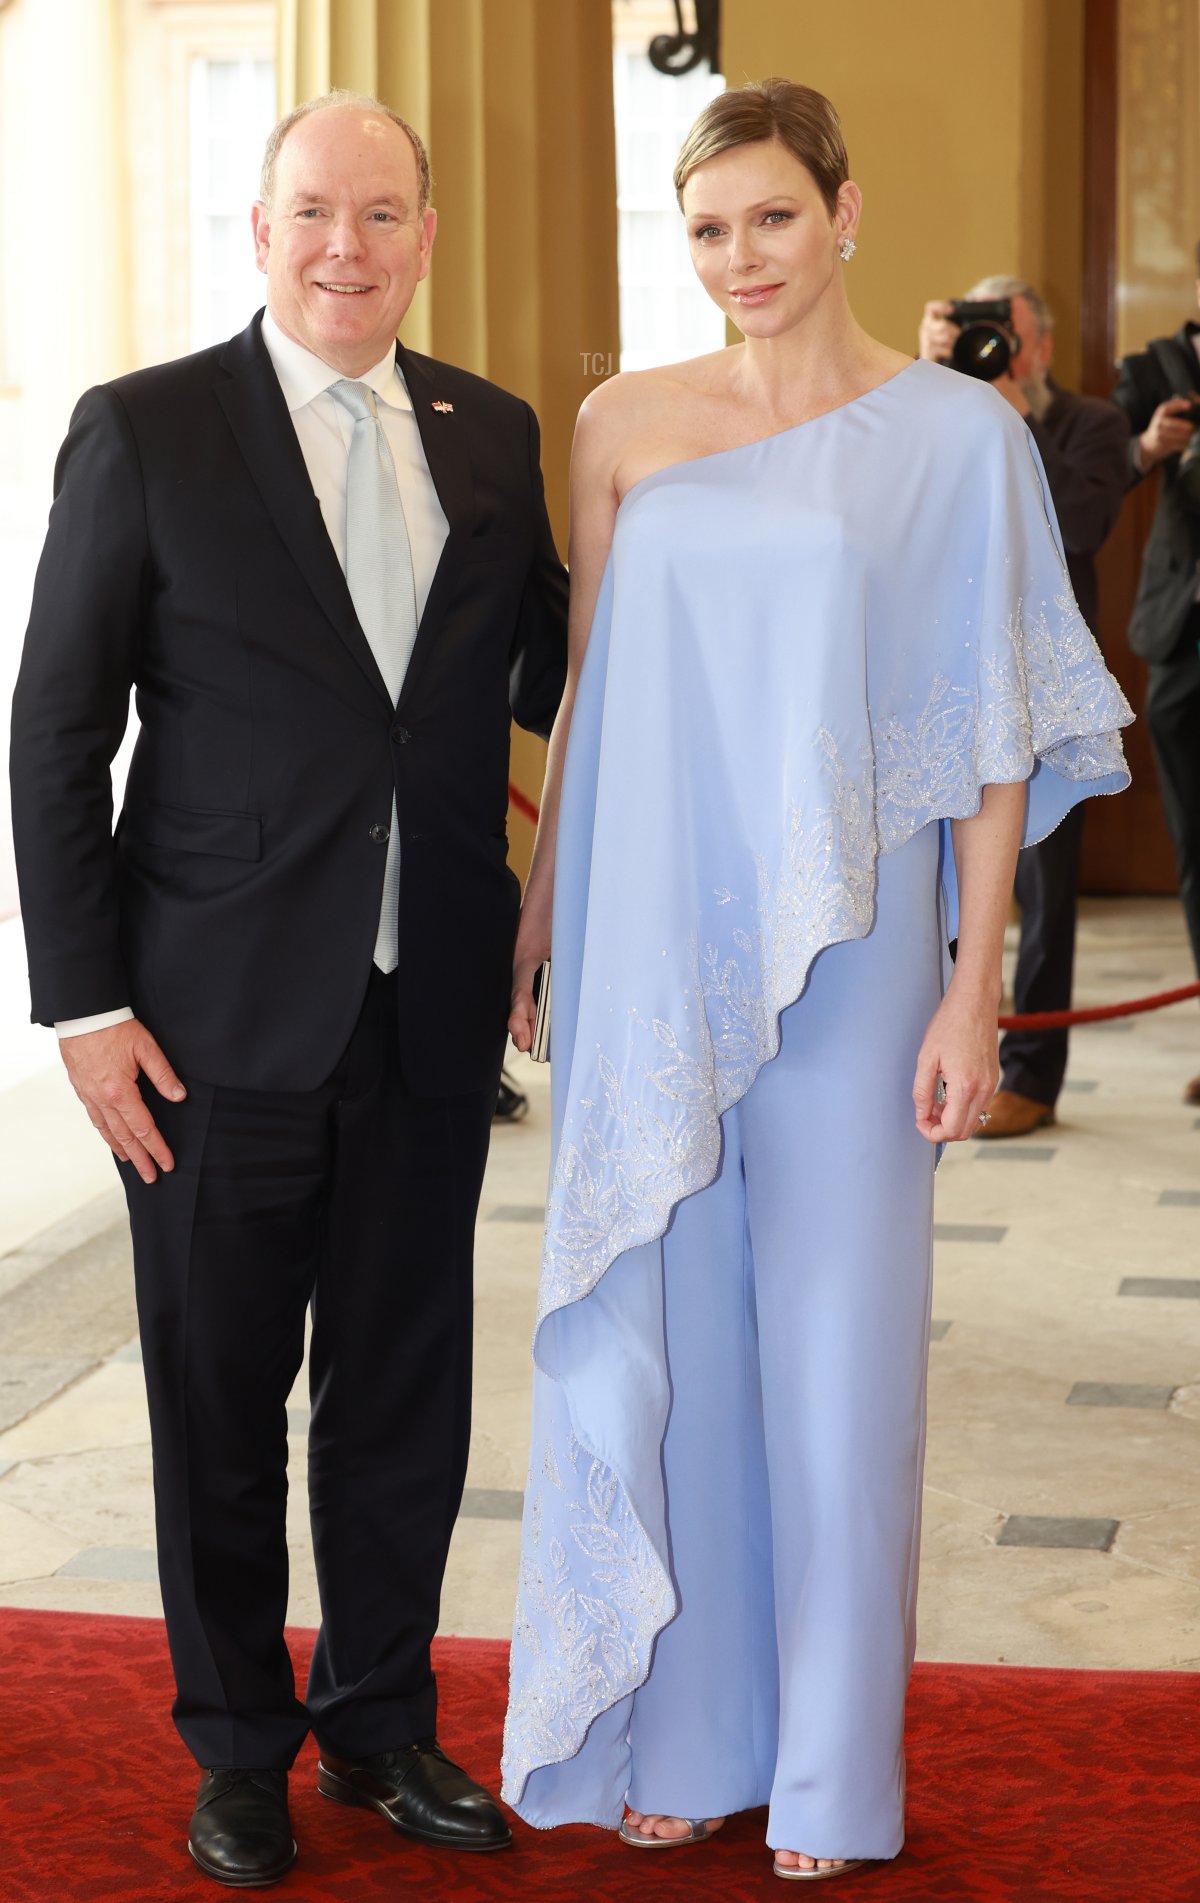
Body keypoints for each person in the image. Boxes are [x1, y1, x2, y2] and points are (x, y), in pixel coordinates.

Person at [499, 79, 1130, 1883]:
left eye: (772, 217)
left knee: (842, 1371)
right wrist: (546, 914)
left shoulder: (955, 438)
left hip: (864, 954)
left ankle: (838, 1776)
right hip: (649, 952)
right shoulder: (623, 425)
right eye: (707, 228)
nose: (741, 258)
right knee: (682, 1342)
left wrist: (970, 986)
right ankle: (693, 1736)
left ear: (845, 215)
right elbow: (598, 690)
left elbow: (1002, 729)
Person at [9, 91, 567, 1887]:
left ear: (424, 233)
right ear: (258, 230)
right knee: (221, 1401)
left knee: (405, 1391)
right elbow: (55, 731)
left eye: (385, 214)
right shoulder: (149, 428)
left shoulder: (490, 438)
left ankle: (382, 1720)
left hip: (428, 1019)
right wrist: (87, 1007)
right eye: (316, 211)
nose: (351, 246)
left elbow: (575, 661)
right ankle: (238, 1741)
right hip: (208, 1022)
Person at [918, 281, 1130, 1138]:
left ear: (1038, 345)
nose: (995, 346)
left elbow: (1079, 520)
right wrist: (931, 382)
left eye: (1007, 334)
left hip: (1043, 691)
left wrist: (1007, 415)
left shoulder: (1091, 425)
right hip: (937, 680)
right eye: (975, 333)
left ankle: (1033, 1075)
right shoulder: (926, 411)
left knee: (1041, 887)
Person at [1112, 260, 1200, 1106]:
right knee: (1196, 848)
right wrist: (1150, 446)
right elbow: (1101, 469)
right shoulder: (1152, 371)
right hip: (1182, 637)